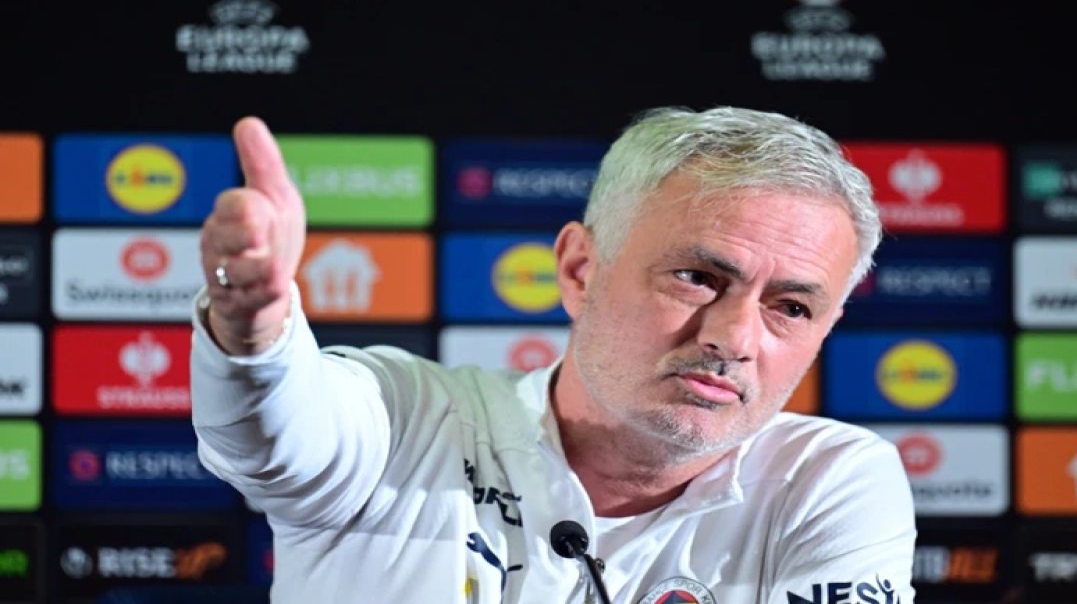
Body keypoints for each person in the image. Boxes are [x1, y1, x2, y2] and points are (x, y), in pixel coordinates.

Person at [191, 107, 916, 603]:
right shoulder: (402, 418)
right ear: (579, 270)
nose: (735, 338)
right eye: (697, 277)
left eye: (791, 308)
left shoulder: (827, 481)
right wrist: (254, 328)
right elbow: (268, 433)